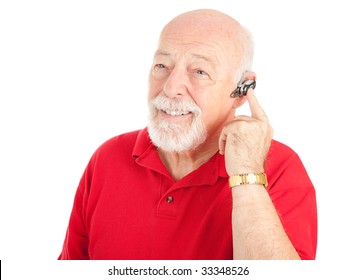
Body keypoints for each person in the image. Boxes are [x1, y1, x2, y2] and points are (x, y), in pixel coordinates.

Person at [58, 9, 317, 260]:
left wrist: (247, 176)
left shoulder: (281, 168)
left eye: (200, 72)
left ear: (242, 90)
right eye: (162, 65)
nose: (170, 88)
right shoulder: (108, 158)